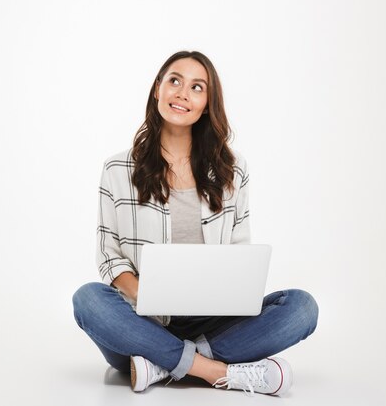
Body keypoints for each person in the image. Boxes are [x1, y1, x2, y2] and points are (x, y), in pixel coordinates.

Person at [72, 51, 318, 396]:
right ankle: (216, 370)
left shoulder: (233, 171)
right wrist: (149, 297)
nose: (182, 93)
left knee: (302, 307)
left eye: (196, 87)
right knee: (88, 300)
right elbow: (108, 254)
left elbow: (238, 253)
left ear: (207, 103)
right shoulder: (118, 169)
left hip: (215, 323)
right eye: (174, 81)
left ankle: (162, 365)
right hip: (143, 323)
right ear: (158, 89)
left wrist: (232, 295)